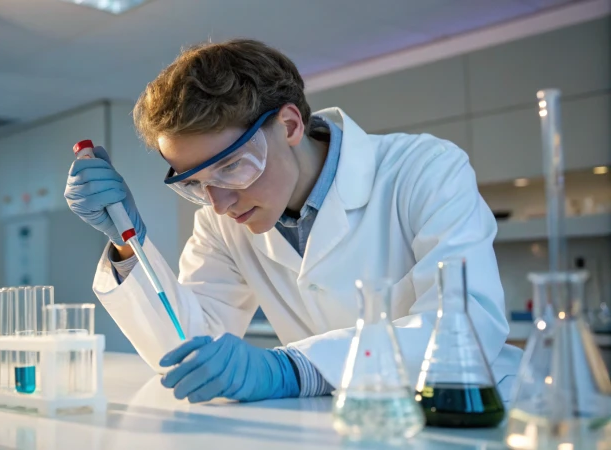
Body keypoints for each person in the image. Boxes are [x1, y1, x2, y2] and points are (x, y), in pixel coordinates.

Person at [65, 39, 521, 403]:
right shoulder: (220, 223)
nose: (219, 203)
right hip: (344, 427)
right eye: (197, 183)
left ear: (288, 126)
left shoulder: (424, 168)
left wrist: (294, 368)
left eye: (231, 167)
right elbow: (189, 353)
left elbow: (463, 329)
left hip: (476, 421)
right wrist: (130, 246)